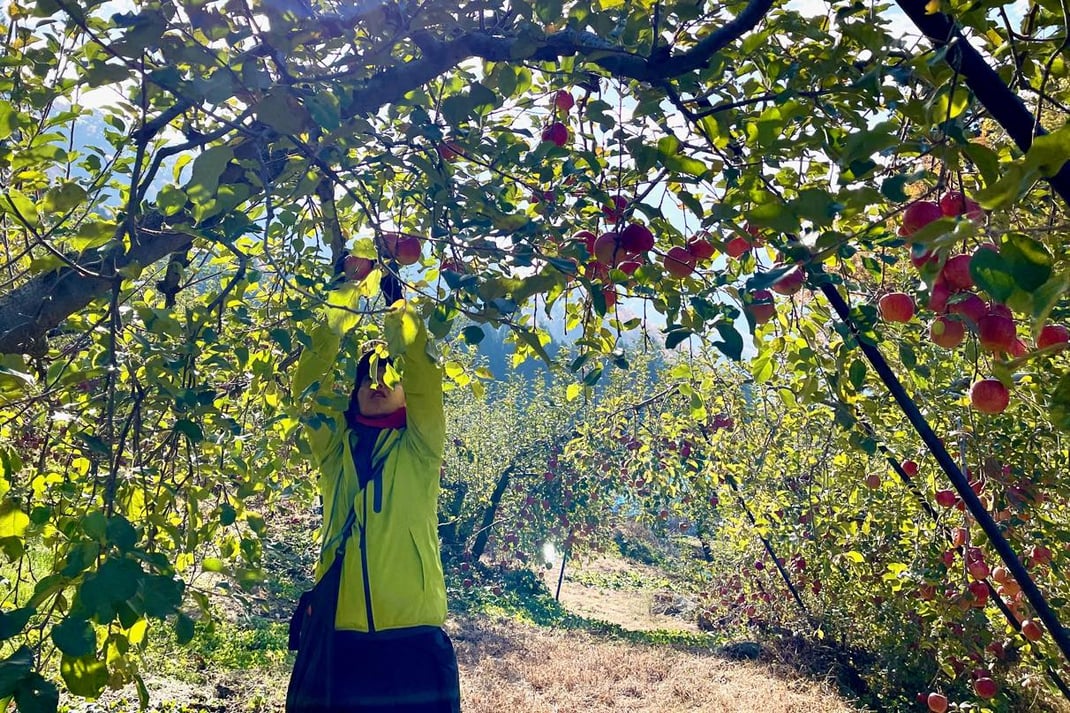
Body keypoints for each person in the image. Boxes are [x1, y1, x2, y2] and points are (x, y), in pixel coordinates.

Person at [286, 273, 461, 712]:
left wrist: (398, 309)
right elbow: (308, 389)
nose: (376, 385)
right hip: (340, 639)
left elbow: (425, 377)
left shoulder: (419, 448)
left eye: (388, 377)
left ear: (406, 394)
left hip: (412, 639)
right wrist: (343, 296)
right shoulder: (333, 449)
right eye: (367, 380)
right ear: (353, 393)